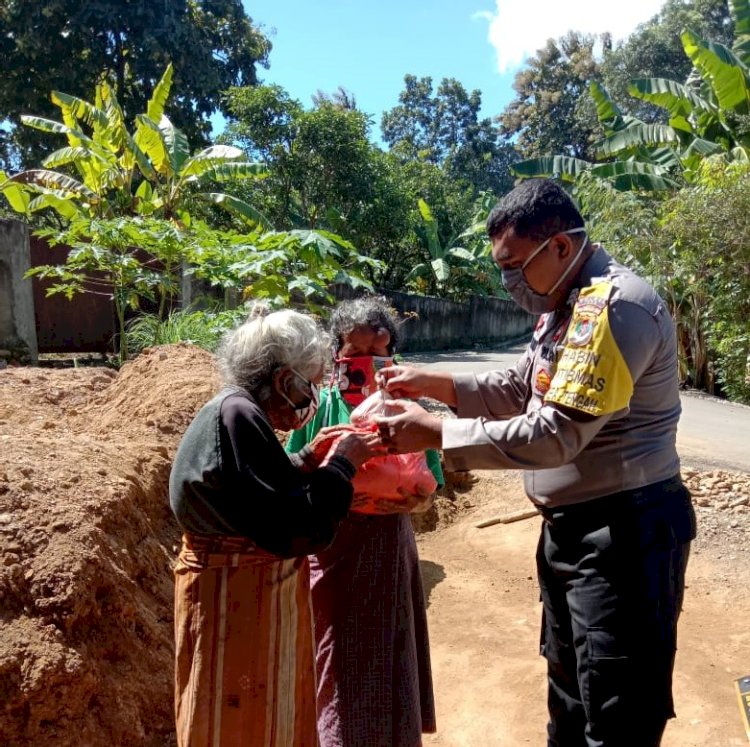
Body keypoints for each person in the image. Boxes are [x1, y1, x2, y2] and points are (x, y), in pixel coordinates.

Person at [375, 179, 697, 747]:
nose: (508, 282)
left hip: (626, 534)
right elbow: (521, 385)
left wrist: (438, 433)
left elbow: (558, 435)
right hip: (574, 532)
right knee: (570, 696)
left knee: (616, 710)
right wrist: (433, 382)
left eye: (513, 266)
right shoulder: (564, 304)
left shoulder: (614, 308)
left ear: (560, 248)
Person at [168, 308, 383, 747]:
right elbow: (294, 527)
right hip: (235, 607)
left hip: (233, 601)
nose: (315, 395)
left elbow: (255, 490)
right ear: (286, 380)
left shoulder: (236, 410)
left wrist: (306, 459)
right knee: (242, 726)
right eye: (311, 382)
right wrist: (343, 465)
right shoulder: (238, 416)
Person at [286, 296, 440, 747]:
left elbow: (432, 483)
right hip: (332, 547)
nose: (367, 368)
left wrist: (412, 504)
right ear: (338, 357)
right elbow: (292, 472)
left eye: (379, 356)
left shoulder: (406, 408)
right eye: (355, 357)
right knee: (333, 651)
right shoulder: (318, 407)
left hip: (389, 544)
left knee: (388, 648)